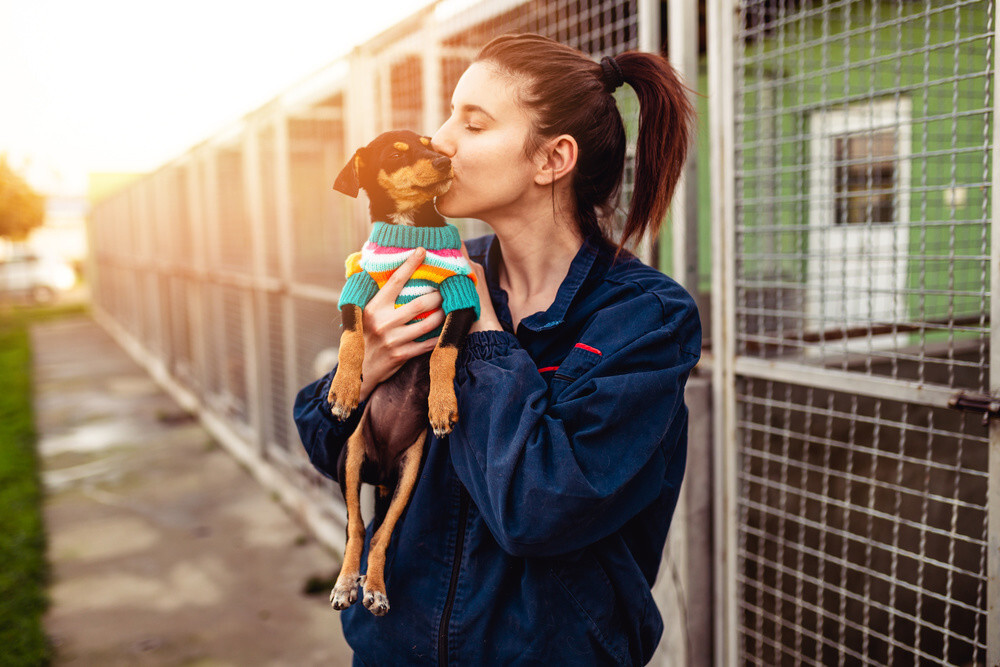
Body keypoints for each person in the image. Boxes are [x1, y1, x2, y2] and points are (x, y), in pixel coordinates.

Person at [294, 33, 701, 666]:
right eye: (449, 113)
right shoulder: (428, 272)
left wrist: (483, 337)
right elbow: (337, 452)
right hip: (393, 647)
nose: (440, 139)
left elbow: (539, 509)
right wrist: (365, 367)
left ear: (551, 160)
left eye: (473, 123)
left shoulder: (644, 320)